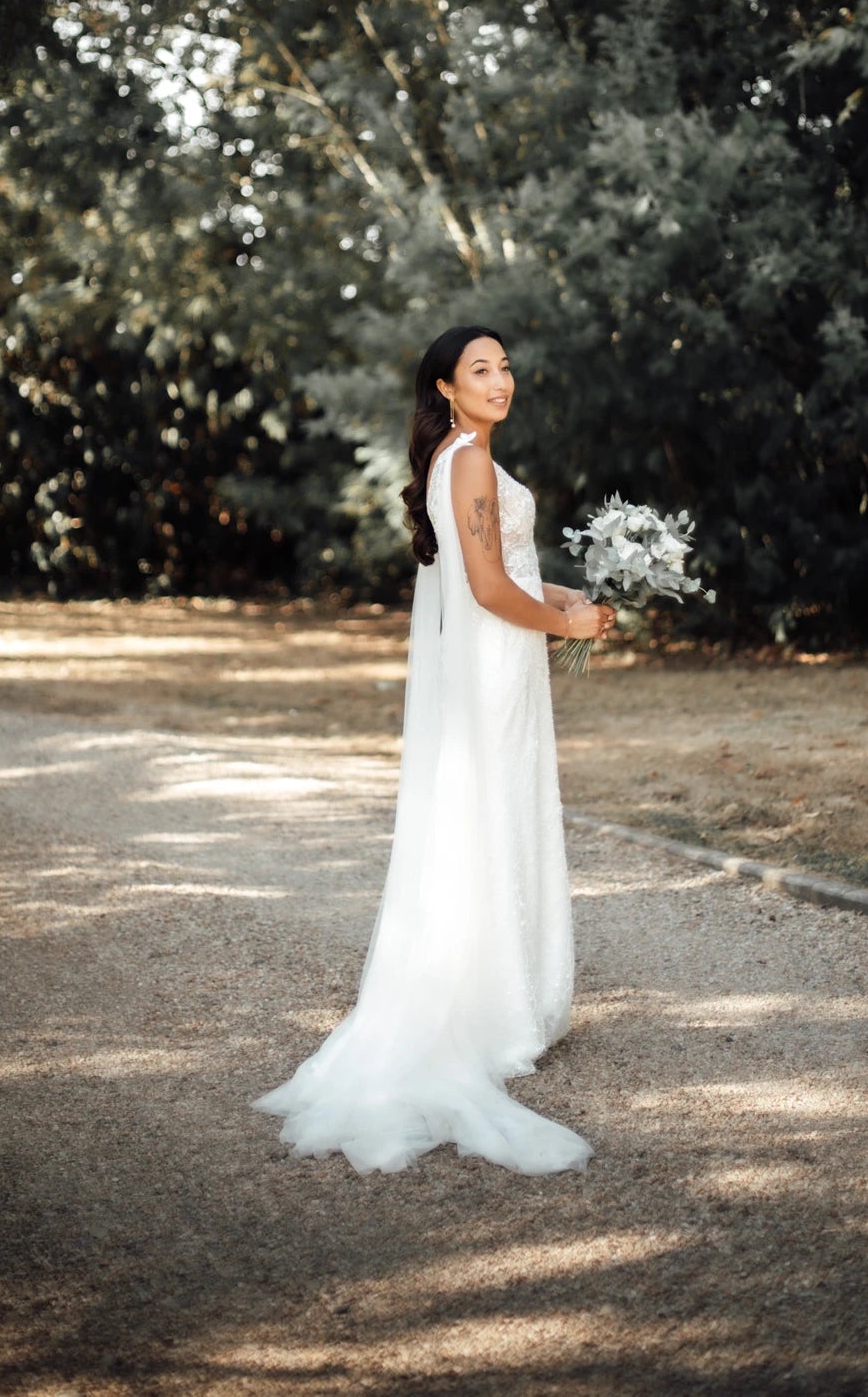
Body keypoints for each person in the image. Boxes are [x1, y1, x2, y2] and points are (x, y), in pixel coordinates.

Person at [251, 324, 615, 1174]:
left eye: (507, 367)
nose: (501, 380)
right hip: (493, 666)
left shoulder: (456, 458)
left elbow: (501, 570)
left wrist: (574, 598)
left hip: (500, 660)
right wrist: (565, 623)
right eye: (480, 370)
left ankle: (504, 993)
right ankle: (488, 1008)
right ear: (446, 388)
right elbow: (488, 589)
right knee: (491, 817)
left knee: (493, 815)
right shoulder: (470, 460)